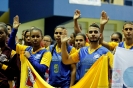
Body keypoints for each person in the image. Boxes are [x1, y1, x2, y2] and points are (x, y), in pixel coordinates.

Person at [8, 15, 52, 87]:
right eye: (33, 36)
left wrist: (30, 57)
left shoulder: (46, 52)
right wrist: (15, 29)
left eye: (37, 36)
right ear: (30, 38)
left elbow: (42, 69)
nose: (35, 38)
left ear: (42, 38)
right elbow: (11, 45)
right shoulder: (26, 49)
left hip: (38, 85)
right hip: (25, 84)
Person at [0, 24, 20, 88]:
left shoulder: (12, 52)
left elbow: (15, 72)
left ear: (6, 35)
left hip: (6, 84)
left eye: (1, 33)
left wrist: (2, 66)